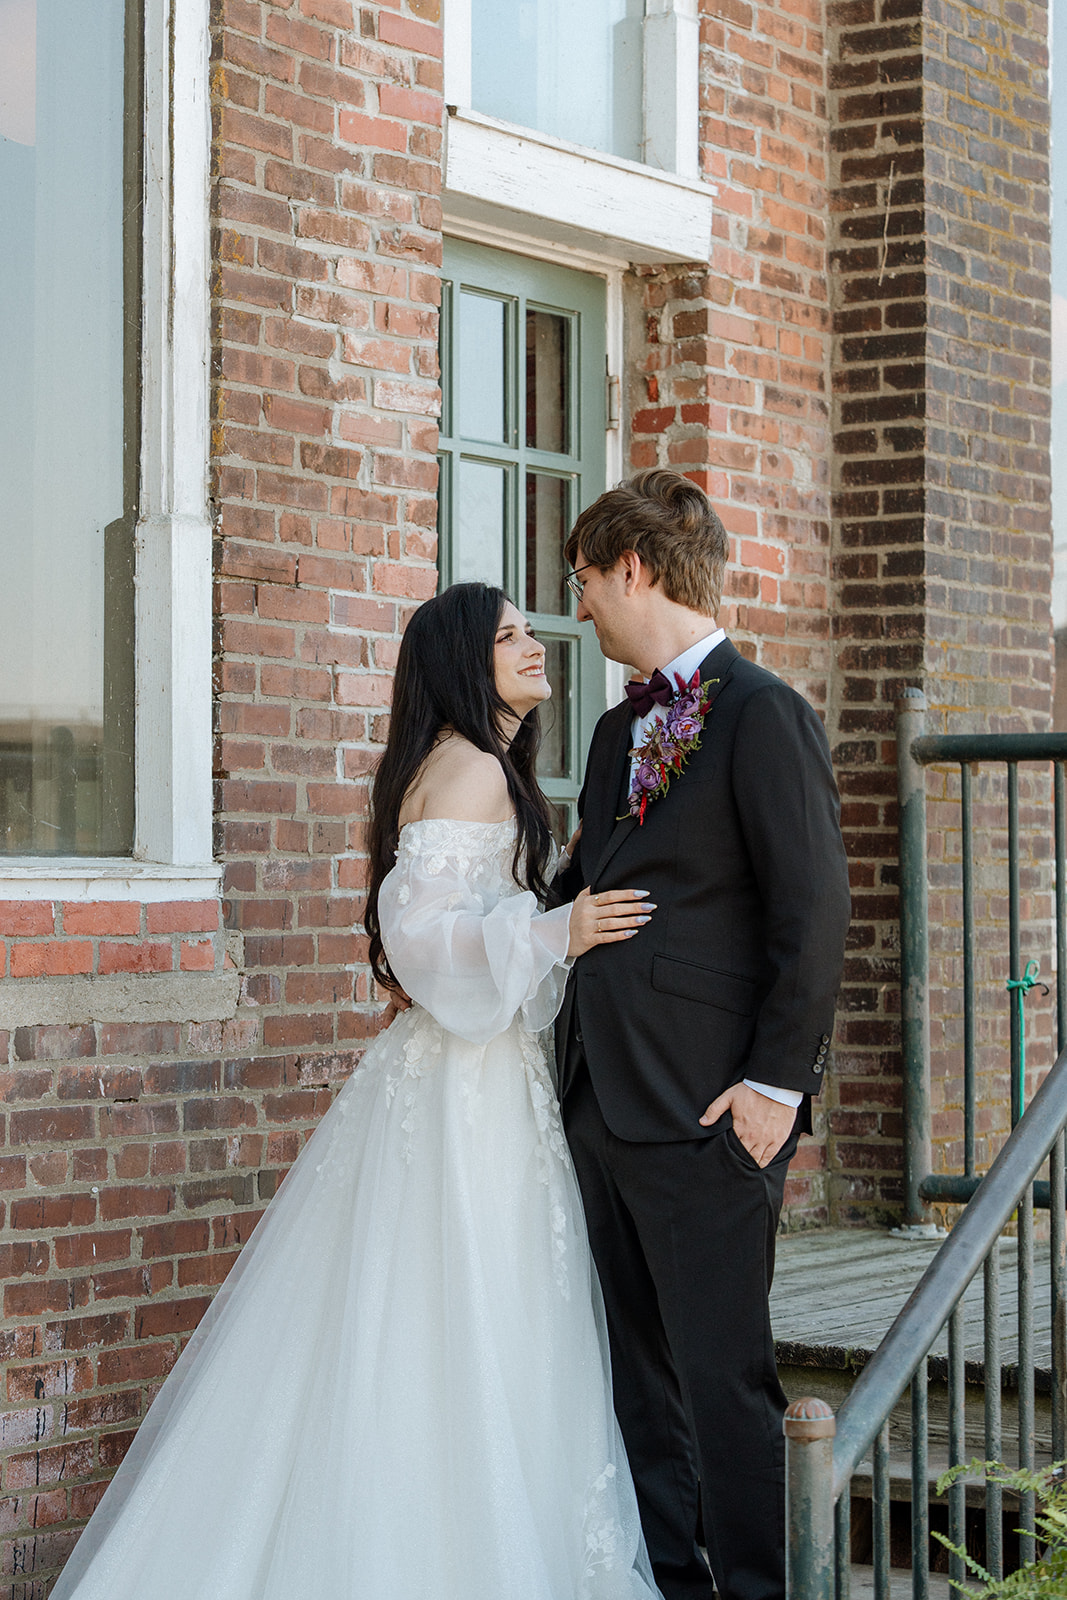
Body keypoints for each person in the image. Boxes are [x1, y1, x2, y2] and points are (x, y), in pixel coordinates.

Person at [50, 583, 664, 1600]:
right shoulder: (469, 770)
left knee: (458, 1313)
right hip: (463, 1096)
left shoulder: (468, 766)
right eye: (507, 634)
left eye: (527, 628)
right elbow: (423, 942)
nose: (531, 644)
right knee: (460, 1310)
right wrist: (559, 929)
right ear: (466, 659)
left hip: (480, 1079)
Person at [555, 471, 852, 1600]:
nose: (577, 605)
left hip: (705, 1114)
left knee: (721, 1381)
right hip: (600, 1102)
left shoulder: (761, 711)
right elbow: (587, 886)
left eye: (583, 579)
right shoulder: (607, 731)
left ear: (631, 567)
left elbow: (810, 909)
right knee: (638, 1381)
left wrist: (774, 1088)